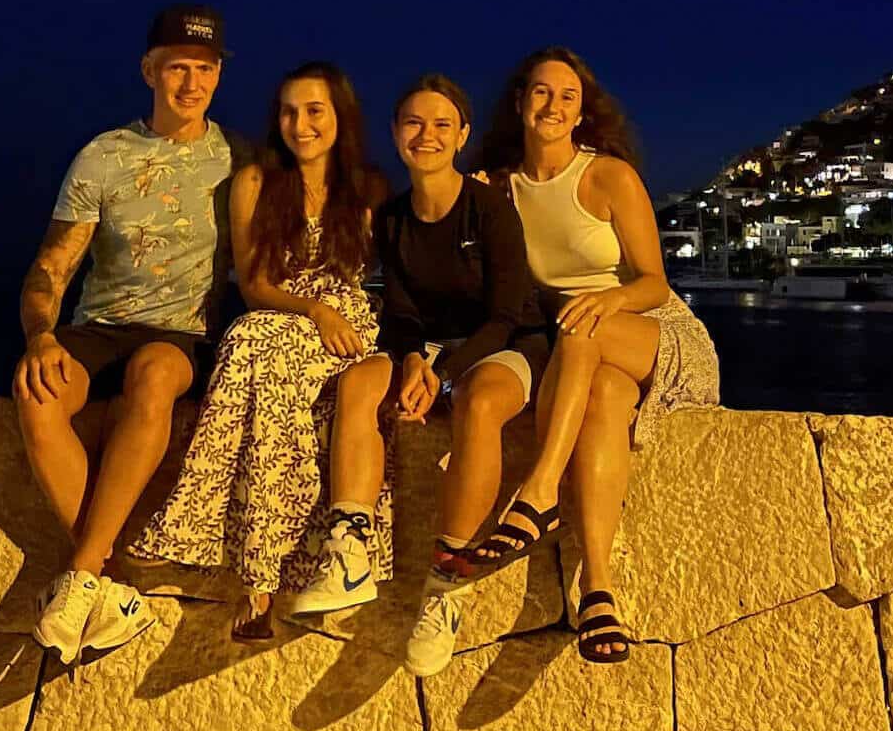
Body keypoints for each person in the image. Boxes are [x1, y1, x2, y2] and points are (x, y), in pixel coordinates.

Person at [466, 46, 720, 662]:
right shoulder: (500, 189)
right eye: (542, 92)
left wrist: (608, 301)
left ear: (582, 111)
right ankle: (598, 591)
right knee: (603, 400)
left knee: (580, 326)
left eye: (567, 96)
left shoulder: (606, 175)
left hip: (654, 331)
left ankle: (540, 490)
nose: (553, 105)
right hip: (586, 354)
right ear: (521, 101)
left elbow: (654, 281)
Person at [292, 75, 548, 677]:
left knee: (479, 405)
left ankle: (446, 583)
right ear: (396, 134)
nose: (425, 135)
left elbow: (507, 313)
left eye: (440, 125)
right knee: (358, 383)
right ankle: (349, 548)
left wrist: (447, 374)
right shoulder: (395, 218)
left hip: (507, 343)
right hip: (430, 348)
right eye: (412, 123)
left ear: (462, 136)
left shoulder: (489, 209)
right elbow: (402, 311)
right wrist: (412, 360)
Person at [12, 3, 242, 663]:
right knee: (37, 393)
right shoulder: (103, 156)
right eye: (177, 68)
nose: (191, 83)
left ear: (218, 76)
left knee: (156, 376)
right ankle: (107, 586)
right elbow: (51, 268)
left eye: (205, 69)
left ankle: (82, 577)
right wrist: (40, 336)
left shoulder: (237, 161)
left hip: (183, 336)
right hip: (101, 328)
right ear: (149, 70)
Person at [129, 62, 390, 638]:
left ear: (339, 117)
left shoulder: (365, 189)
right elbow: (254, 285)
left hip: (345, 327)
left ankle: (212, 542)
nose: (300, 124)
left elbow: (371, 282)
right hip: (286, 314)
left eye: (314, 110)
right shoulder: (256, 183)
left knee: (256, 351)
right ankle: (264, 576)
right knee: (253, 340)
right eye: (289, 111)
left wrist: (330, 315)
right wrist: (310, 311)